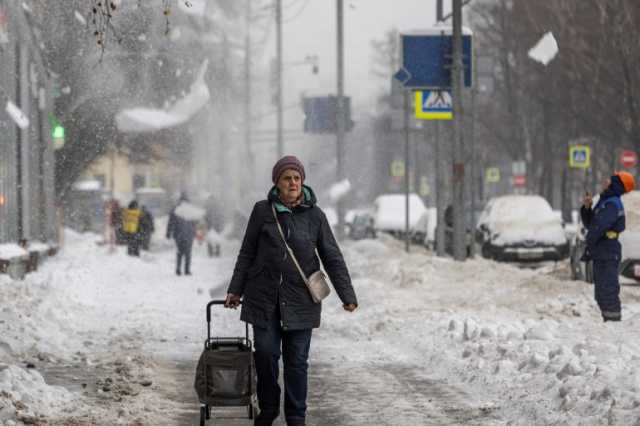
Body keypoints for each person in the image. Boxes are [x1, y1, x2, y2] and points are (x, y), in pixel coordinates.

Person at [224, 155, 358, 426]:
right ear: (277, 182)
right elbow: (247, 252)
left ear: (303, 182)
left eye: (297, 178)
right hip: (264, 298)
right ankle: (269, 408)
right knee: (265, 354)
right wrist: (235, 289)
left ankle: (296, 416)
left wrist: (348, 295)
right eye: (287, 178)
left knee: (297, 361)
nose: (293, 183)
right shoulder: (262, 211)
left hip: (301, 300)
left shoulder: (315, 215)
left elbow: (332, 256)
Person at [581, 171, 635, 322]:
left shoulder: (612, 203)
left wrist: (589, 244)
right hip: (603, 249)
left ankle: (614, 324)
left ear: (616, 184)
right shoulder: (605, 201)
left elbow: (598, 228)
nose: (605, 181)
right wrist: (587, 208)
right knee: (600, 291)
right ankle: (609, 321)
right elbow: (592, 224)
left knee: (608, 289)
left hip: (608, 250)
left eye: (610, 180)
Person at [166, 192, 197, 276]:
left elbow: (170, 222)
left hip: (178, 234)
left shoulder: (176, 209)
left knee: (180, 252)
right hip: (188, 234)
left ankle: (178, 269)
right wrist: (194, 232)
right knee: (188, 252)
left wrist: (168, 233)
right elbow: (194, 222)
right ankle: (187, 270)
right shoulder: (190, 210)